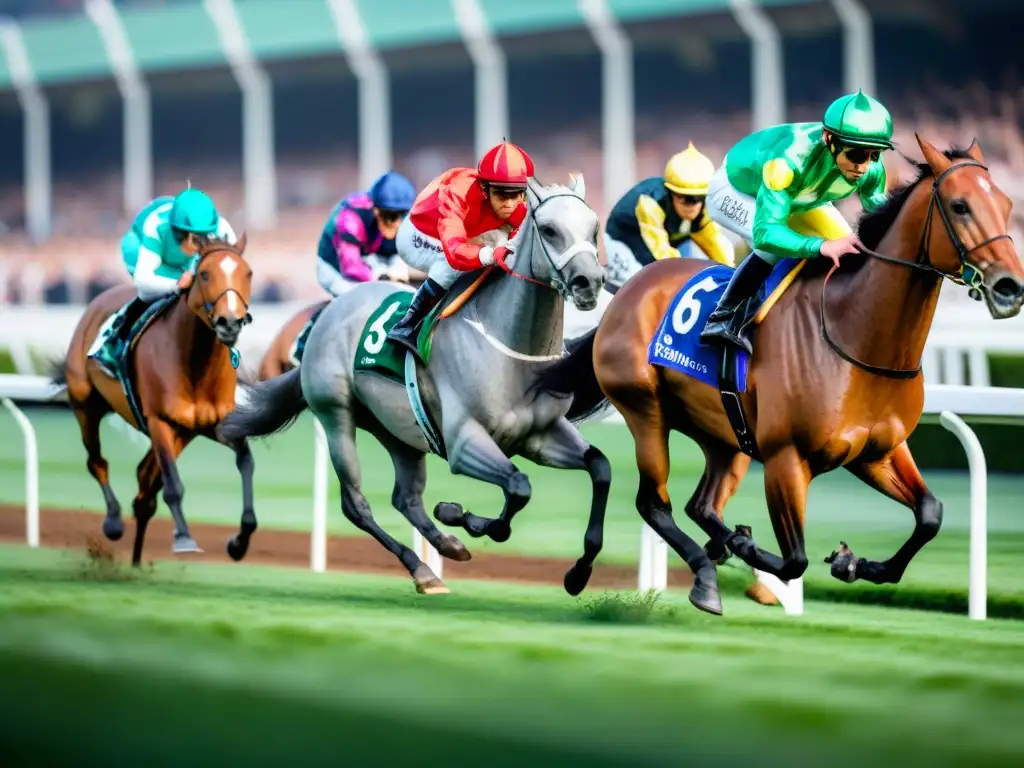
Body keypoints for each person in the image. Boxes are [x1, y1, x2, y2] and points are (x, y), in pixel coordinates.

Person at [698, 89, 894, 354]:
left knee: (848, 247)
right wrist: (819, 246)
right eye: (857, 155)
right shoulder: (787, 161)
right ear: (829, 139)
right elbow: (767, 232)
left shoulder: (870, 169)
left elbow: (882, 213)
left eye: (874, 155)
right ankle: (722, 319)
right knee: (771, 246)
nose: (864, 166)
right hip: (736, 191)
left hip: (801, 197)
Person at [385, 140, 534, 357]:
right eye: (502, 195)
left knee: (504, 247)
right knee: (452, 266)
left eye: (516, 194)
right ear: (485, 189)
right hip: (420, 235)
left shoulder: (519, 203)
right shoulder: (458, 192)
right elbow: (455, 251)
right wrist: (491, 254)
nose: (510, 204)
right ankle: (408, 326)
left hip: (468, 232)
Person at [108, 187, 238, 349]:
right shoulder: (156, 226)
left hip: (182, 262)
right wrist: (175, 285)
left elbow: (232, 277)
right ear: (179, 232)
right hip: (144, 252)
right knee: (151, 295)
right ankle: (115, 338)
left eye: (204, 237)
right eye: (193, 238)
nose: (198, 245)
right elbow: (143, 282)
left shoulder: (223, 230)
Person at [603, 142, 736, 291]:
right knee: (635, 287)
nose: (693, 205)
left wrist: (733, 275)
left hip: (672, 241)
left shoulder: (704, 211)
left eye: (700, 198)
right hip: (626, 239)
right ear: (671, 193)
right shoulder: (651, 203)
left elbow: (716, 245)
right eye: (686, 198)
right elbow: (662, 253)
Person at [316, 169, 417, 296]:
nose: (397, 223)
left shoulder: (406, 218)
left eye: (402, 215)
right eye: (390, 216)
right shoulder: (350, 219)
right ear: (376, 211)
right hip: (336, 269)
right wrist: (380, 278)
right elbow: (351, 267)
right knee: (355, 296)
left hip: (372, 258)